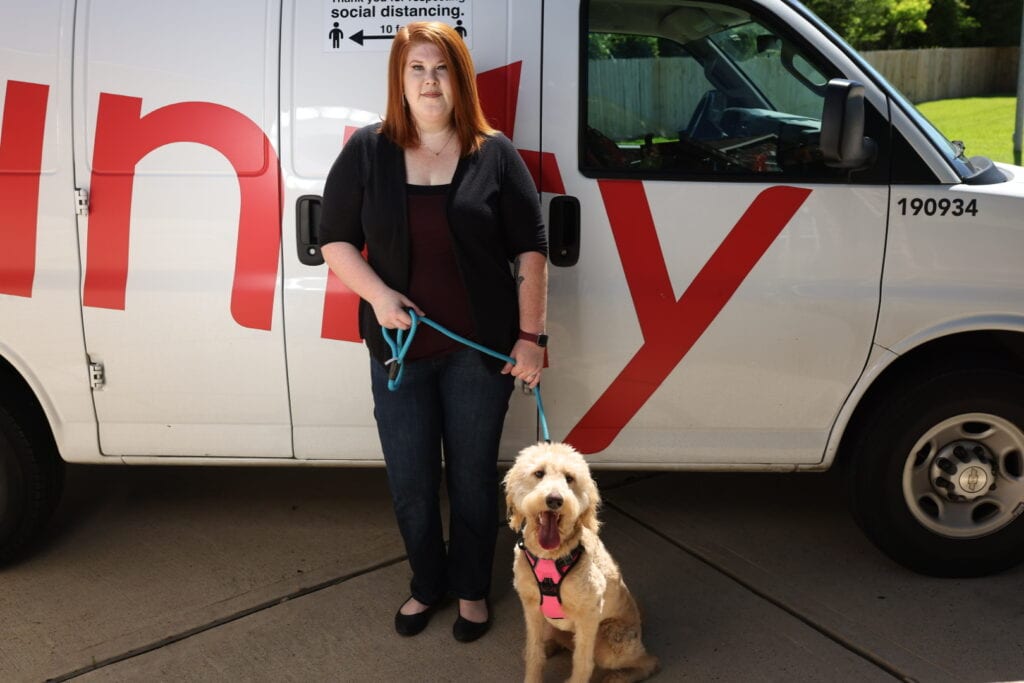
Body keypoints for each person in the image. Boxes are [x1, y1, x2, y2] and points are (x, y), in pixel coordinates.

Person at [318, 21, 548, 643]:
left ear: (460, 78)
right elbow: (333, 236)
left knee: (474, 480)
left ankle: (471, 588)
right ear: (399, 79)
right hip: (400, 357)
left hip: (480, 357)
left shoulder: (494, 154)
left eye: (440, 68)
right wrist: (378, 295)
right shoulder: (368, 150)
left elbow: (530, 250)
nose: (428, 80)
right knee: (412, 483)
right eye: (416, 69)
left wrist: (532, 338)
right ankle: (428, 585)